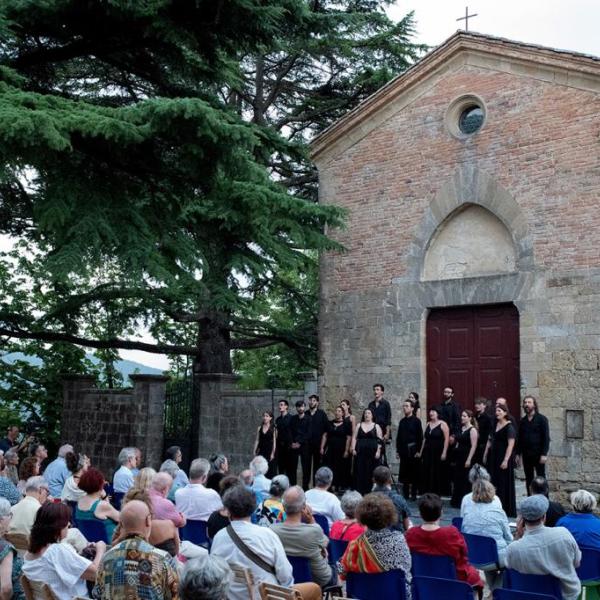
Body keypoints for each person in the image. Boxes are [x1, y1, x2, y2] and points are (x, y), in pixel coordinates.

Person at [210, 485, 320, 600]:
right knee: (314, 589)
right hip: (266, 596)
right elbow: (285, 576)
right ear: (252, 508)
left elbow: (214, 574)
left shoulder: (219, 537)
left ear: (228, 511)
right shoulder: (267, 535)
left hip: (231, 597)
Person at [94, 499, 179, 599]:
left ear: (121, 524)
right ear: (148, 520)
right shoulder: (162, 559)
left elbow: (97, 594)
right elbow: (175, 595)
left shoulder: (106, 558)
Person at [23, 502, 106, 600]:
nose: (69, 524)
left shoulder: (28, 554)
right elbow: (95, 574)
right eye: (67, 521)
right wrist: (101, 549)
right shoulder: (56, 551)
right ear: (58, 526)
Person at [506, 494, 581, 600]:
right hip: (564, 595)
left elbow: (510, 568)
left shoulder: (513, 549)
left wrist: (518, 535)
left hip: (528, 595)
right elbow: (576, 563)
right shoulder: (563, 534)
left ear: (522, 519)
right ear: (544, 517)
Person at [339, 493, 412, 598]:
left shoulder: (354, 546)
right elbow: (407, 571)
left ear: (362, 517)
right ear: (390, 516)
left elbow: (341, 571)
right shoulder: (400, 540)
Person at [405, 493, 483, 589]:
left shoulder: (411, 534)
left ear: (420, 514)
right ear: (441, 512)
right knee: (475, 577)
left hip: (422, 579)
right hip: (452, 580)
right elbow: (464, 554)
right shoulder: (452, 533)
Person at [273, 486, 335, 588]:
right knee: (332, 560)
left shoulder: (272, 530)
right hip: (317, 581)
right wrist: (311, 521)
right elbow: (326, 544)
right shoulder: (314, 530)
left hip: (286, 580)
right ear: (304, 507)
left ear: (283, 506)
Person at [462, 479, 512, 567]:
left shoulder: (467, 512)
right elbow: (508, 538)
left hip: (473, 556)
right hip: (495, 557)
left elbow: (465, 533)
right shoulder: (498, 512)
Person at [484, 404, 517, 517]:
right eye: (496, 411)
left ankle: (504, 508)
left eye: (499, 411)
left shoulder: (509, 427)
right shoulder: (494, 425)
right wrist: (485, 454)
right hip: (493, 457)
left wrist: (506, 460)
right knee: (493, 480)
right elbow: (489, 440)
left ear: (505, 413)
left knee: (503, 482)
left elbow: (510, 445)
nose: (497, 413)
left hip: (503, 457)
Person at [516, 395, 550, 494]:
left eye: (529, 402)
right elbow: (520, 439)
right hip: (527, 455)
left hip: (539, 454)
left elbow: (546, 438)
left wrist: (544, 454)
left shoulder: (542, 419)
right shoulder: (522, 421)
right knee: (529, 479)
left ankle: (545, 501)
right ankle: (530, 500)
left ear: (534, 405)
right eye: (525, 402)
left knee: (541, 478)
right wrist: (518, 453)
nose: (527, 404)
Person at [76, 467, 120, 541]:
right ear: (100, 485)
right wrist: (105, 497)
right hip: (108, 544)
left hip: (89, 543)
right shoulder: (102, 505)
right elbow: (122, 519)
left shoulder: (79, 502)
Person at [417, 406, 449, 496]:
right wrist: (420, 452)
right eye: (430, 412)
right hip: (427, 451)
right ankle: (427, 490)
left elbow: (446, 439)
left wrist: (444, 452)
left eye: (433, 411)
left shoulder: (443, 424)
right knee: (426, 470)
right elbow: (424, 439)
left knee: (436, 470)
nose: (431, 413)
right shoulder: (428, 424)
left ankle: (437, 491)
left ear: (438, 413)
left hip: (438, 451)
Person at [395, 398, 423, 500]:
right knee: (405, 473)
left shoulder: (416, 421)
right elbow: (399, 437)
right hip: (403, 451)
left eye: (407, 406)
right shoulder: (402, 421)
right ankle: (406, 494)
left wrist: (418, 451)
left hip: (413, 450)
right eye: (404, 406)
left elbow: (420, 437)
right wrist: (398, 451)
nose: (404, 408)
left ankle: (414, 494)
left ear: (412, 408)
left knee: (414, 473)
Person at [351, 409, 383, 495]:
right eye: (365, 413)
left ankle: (371, 491)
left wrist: (378, 451)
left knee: (371, 471)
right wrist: (353, 448)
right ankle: (360, 491)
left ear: (372, 415)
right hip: (360, 452)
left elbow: (380, 440)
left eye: (369, 413)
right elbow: (354, 437)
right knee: (360, 470)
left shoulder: (376, 426)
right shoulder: (359, 425)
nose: (367, 415)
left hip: (372, 453)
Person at [451, 410, 479, 508]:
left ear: (470, 418)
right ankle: (457, 501)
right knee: (458, 478)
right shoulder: (461, 428)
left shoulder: (472, 430)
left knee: (465, 479)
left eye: (464, 416)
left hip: (467, 456)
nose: (462, 417)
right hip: (459, 457)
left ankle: (466, 501)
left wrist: (469, 459)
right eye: (462, 416)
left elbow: (473, 446)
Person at [321, 406, 352, 492]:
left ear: (342, 413)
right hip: (330, 449)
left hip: (341, 449)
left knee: (340, 467)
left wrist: (346, 450)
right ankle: (330, 485)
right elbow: (325, 435)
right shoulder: (329, 423)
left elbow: (348, 438)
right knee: (330, 466)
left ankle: (338, 485)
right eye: (336, 411)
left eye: (339, 411)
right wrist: (322, 447)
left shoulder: (346, 424)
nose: (337, 412)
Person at [371, 466, 410, 532]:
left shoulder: (368, 499)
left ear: (373, 480)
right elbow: (406, 525)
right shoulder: (398, 499)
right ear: (390, 480)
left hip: (373, 537)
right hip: (395, 536)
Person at [0, 497, 24, 600]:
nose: (11, 518)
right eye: (10, 514)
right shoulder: (5, 548)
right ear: (1, 519)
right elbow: (6, 589)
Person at [289, 400, 312, 489]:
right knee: (292, 467)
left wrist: (299, 443)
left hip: (304, 446)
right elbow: (289, 431)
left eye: (302, 406)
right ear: (296, 408)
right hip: (293, 446)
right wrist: (292, 443)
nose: (300, 408)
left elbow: (309, 433)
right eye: (298, 407)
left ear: (304, 407)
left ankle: (305, 488)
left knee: (306, 468)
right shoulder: (293, 419)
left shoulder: (309, 419)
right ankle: (293, 487)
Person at [307, 394, 329, 485]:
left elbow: (326, 430)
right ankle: (305, 487)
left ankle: (316, 485)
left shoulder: (322, 414)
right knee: (306, 467)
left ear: (317, 402)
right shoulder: (306, 414)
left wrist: (323, 446)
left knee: (317, 467)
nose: (312, 402)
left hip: (318, 445)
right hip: (307, 445)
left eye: (314, 400)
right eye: (310, 400)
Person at [368, 384, 392, 462]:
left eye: (378, 390)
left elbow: (388, 419)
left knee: (382, 454)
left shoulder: (386, 404)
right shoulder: (371, 404)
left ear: (382, 392)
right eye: (374, 390)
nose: (375, 391)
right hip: (373, 431)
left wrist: (387, 433)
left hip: (383, 431)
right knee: (373, 452)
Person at [254, 411, 277, 478]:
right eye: (264, 416)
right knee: (261, 467)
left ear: (270, 418)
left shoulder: (273, 428)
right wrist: (254, 450)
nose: (265, 417)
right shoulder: (259, 428)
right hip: (261, 450)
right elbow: (257, 440)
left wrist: (272, 453)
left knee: (270, 468)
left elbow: (274, 442)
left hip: (269, 450)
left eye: (267, 416)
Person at [275, 400, 293, 479]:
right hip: (279, 446)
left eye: (282, 405)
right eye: (279, 405)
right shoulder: (278, 419)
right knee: (280, 467)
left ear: (286, 406)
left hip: (288, 447)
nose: (280, 407)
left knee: (289, 468)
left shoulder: (292, 418)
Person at [340, 400, 356, 489]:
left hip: (348, 442)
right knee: (341, 464)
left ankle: (347, 484)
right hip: (341, 442)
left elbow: (353, 431)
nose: (342, 406)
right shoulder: (340, 416)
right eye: (341, 404)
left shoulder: (351, 417)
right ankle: (341, 484)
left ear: (348, 406)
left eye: (343, 404)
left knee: (348, 464)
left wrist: (351, 445)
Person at [473, 397, 492, 466]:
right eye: (476, 404)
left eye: (479, 404)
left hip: (483, 446)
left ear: (484, 405)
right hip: (474, 445)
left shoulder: (488, 418)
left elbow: (490, 434)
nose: (476, 405)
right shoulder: (474, 416)